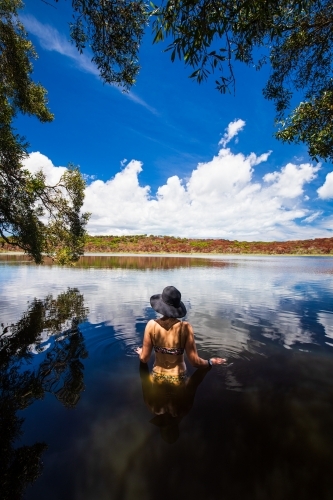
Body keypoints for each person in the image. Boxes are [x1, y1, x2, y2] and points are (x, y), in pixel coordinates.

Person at [135, 285, 226, 384]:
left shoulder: (151, 325)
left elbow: (144, 359)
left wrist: (142, 353)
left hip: (157, 377)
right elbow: (195, 362)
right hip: (179, 378)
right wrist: (210, 362)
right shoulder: (185, 328)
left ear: (161, 305)